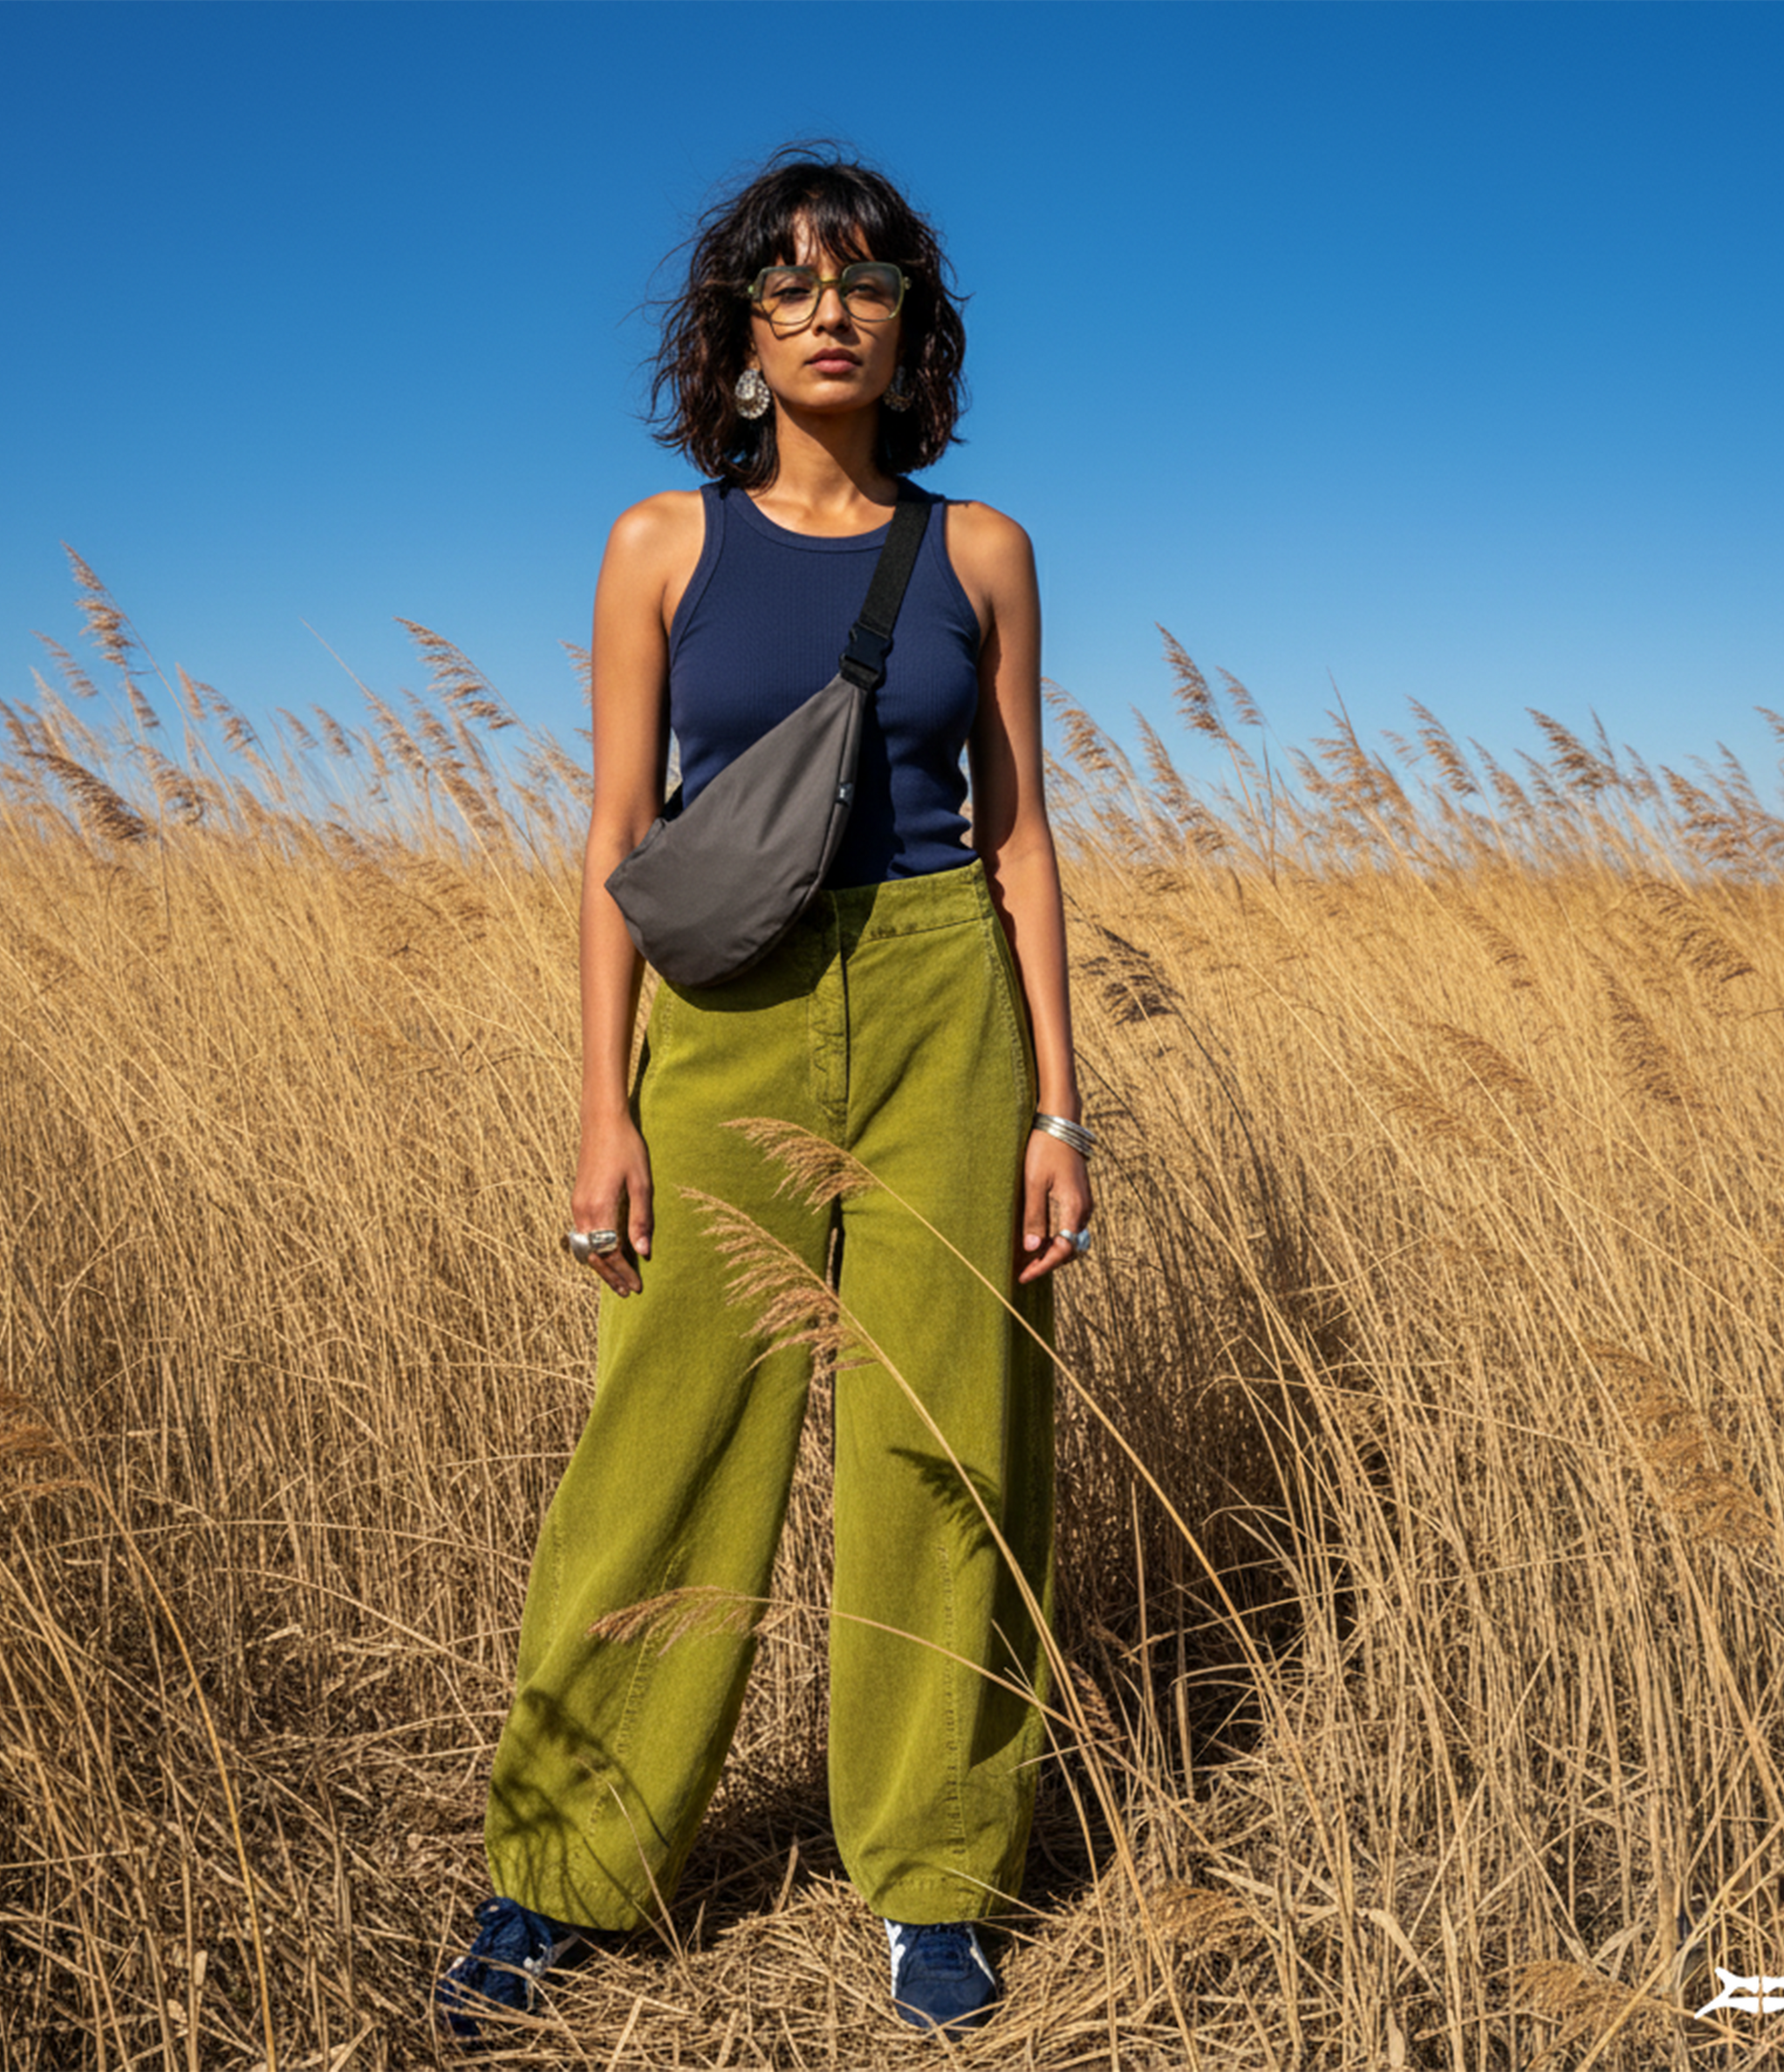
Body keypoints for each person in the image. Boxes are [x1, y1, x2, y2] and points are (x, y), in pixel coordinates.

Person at [436, 147, 1094, 2043]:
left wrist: (1060, 1111)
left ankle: (937, 1882)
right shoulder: (662, 543)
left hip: (936, 1003)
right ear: (735, 333)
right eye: (792, 285)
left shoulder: (979, 554)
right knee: (671, 1434)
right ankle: (560, 1867)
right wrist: (603, 1108)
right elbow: (613, 839)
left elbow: (1024, 839)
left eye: (866, 283)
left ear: (910, 331)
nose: (831, 310)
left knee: (945, 1438)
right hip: (722, 1014)